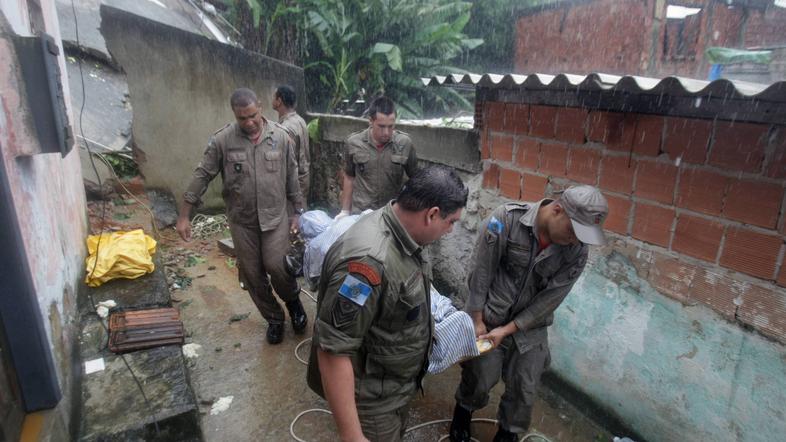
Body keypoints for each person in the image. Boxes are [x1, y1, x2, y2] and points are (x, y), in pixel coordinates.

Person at [307, 166, 468, 442]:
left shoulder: (403, 232)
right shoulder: (367, 264)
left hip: (393, 388)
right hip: (372, 402)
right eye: (451, 222)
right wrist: (353, 436)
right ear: (431, 214)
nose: (450, 230)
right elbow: (333, 350)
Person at [449, 185, 609, 442]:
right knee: (479, 377)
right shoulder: (506, 219)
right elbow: (481, 271)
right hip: (490, 316)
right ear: (557, 210)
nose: (575, 240)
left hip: (531, 327)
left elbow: (550, 299)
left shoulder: (577, 251)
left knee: (525, 386)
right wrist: (476, 319)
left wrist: (509, 329)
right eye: (573, 230)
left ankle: (508, 433)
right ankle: (463, 413)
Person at [176, 87, 307, 345]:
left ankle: (293, 304)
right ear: (234, 115)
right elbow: (202, 174)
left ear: (260, 107)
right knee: (250, 273)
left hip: (274, 218)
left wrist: (297, 212)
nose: (249, 123)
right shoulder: (223, 141)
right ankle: (274, 318)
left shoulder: (281, 138)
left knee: (277, 266)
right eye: (242, 118)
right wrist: (184, 214)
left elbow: (292, 178)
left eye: (253, 116)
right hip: (242, 221)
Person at [335, 96, 417, 219]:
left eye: (391, 126)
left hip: (391, 214)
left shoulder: (404, 143)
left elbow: (415, 179)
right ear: (371, 121)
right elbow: (349, 177)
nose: (386, 132)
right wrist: (345, 210)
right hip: (361, 213)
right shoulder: (353, 142)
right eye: (381, 126)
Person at [272, 85, 310, 204]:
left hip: (293, 183)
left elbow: (288, 162)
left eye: (274, 97)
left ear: (279, 101)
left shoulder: (285, 128)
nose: (272, 100)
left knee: (292, 217)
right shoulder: (300, 120)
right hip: (304, 177)